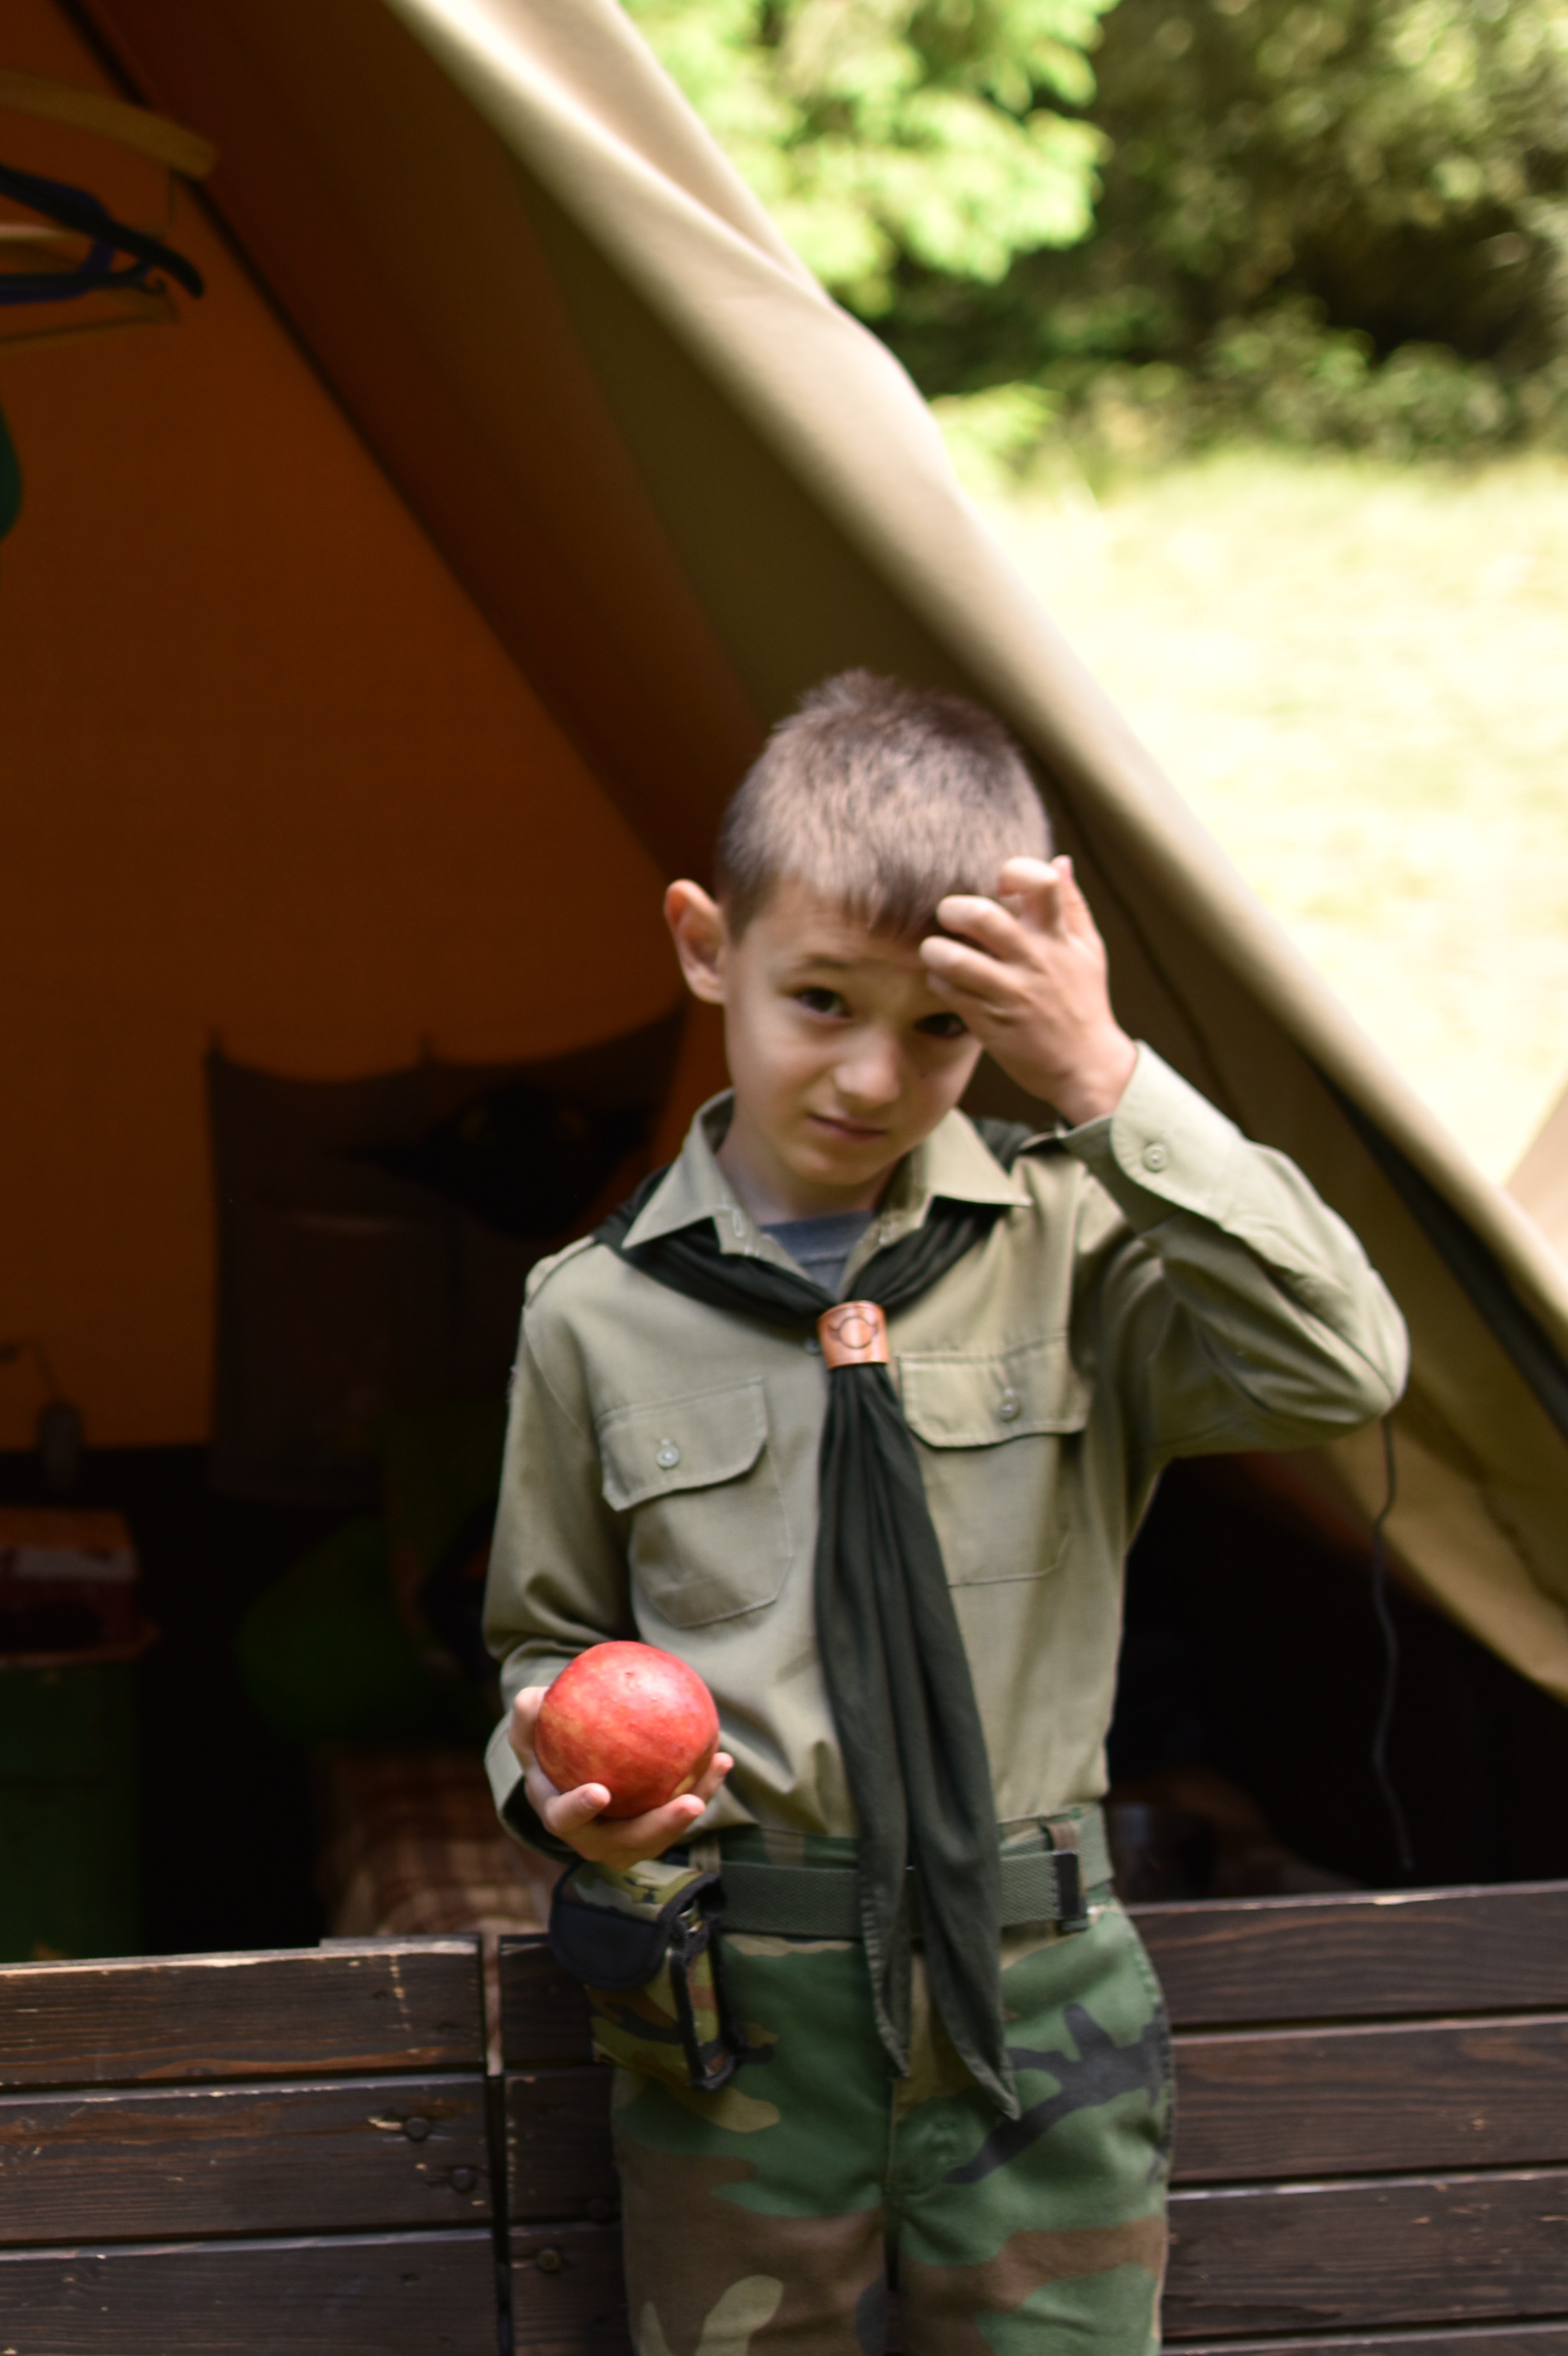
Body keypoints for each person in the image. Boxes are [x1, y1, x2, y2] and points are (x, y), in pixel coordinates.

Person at [481, 673, 1405, 2356]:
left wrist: (1103, 1074)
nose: (871, 1073)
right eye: (821, 1000)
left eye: (940, 1028)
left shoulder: (1079, 1251)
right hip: (740, 2004)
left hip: (1038, 1984)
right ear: (706, 946)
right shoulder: (593, 1314)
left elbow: (1343, 1366)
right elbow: (544, 1641)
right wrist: (556, 1787)